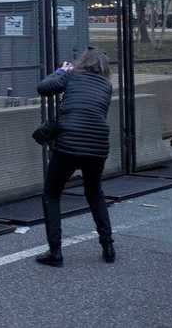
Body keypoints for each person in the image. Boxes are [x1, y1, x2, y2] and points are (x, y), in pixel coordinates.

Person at [35, 48, 114, 267]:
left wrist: (61, 70)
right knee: (94, 192)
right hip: (98, 145)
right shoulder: (107, 86)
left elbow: (43, 88)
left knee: (52, 193)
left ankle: (55, 252)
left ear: (82, 63)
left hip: (69, 143)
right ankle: (108, 246)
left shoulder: (71, 76)